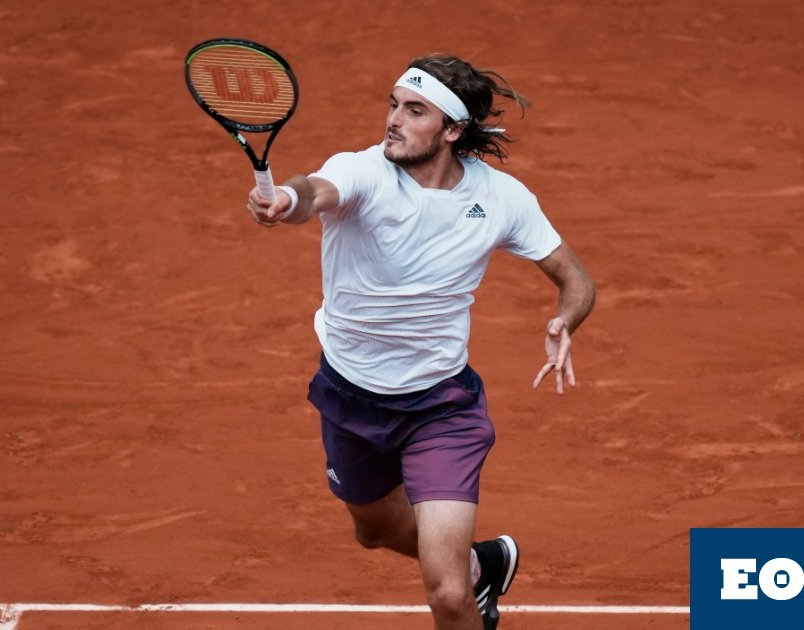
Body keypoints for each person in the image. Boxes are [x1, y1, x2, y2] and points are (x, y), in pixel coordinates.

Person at [246, 53, 595, 630]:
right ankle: (481, 566)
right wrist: (286, 198)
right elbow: (314, 191)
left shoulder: (502, 198)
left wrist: (566, 319)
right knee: (373, 531)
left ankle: (462, 579)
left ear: (452, 130)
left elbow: (575, 277)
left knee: (449, 597)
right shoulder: (361, 172)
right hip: (350, 395)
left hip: (441, 409)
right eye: (393, 105)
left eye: (414, 111)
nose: (393, 120)